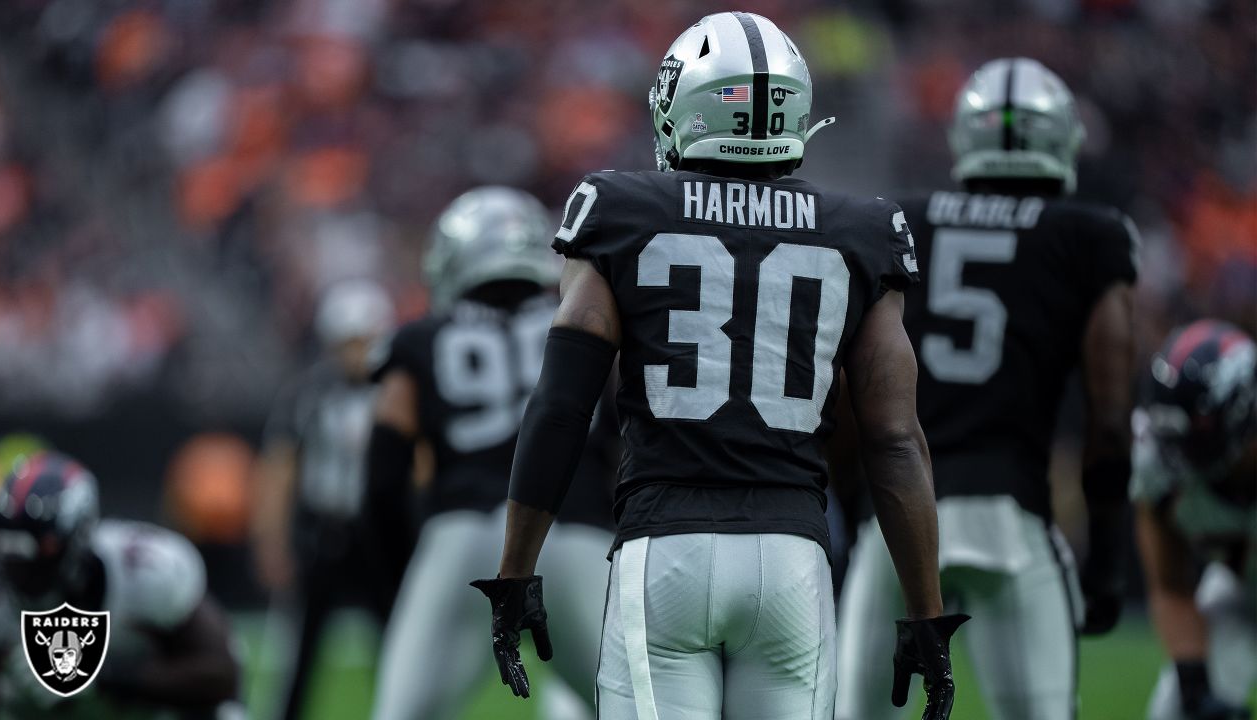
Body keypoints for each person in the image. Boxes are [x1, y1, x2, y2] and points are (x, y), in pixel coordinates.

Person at [470, 12, 966, 720]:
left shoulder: (622, 209)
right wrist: (925, 610)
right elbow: (894, 438)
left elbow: (560, 405)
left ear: (690, 106)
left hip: (664, 549)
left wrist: (516, 565)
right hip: (793, 558)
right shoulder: (861, 228)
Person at [833, 58, 1140, 720]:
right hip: (1011, 517)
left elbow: (843, 385)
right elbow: (1110, 422)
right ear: (1061, 137)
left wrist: (853, 506)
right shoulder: (1091, 234)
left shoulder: (899, 220)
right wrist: (1110, 558)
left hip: (895, 518)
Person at [368, 186, 618, 720]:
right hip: (578, 531)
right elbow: (629, 439)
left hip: (465, 537)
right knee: (627, 707)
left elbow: (383, 475)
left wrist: (403, 569)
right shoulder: (589, 322)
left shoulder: (420, 338)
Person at [0, 451, 241, 720]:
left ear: (78, 537)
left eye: (39, 554)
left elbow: (220, 675)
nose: (22, 573)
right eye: (9, 557)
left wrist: (106, 677)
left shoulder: (143, 572)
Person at [251, 279, 399, 720]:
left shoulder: (397, 390)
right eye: (349, 342)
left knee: (399, 643)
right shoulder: (310, 394)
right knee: (299, 648)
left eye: (365, 341)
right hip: (324, 531)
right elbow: (279, 468)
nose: (357, 353)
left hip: (380, 531)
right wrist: (271, 541)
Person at [1133, 320, 1256, 720]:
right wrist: (1195, 687)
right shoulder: (1158, 464)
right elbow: (1171, 584)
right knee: (1175, 713)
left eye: (1196, 441)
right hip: (1244, 589)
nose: (1181, 459)